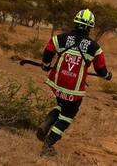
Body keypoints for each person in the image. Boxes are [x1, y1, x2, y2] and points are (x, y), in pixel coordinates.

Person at [38, 9, 112, 156]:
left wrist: (46, 65)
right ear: (90, 26)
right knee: (68, 115)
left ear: (75, 22)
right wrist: (107, 75)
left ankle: (48, 122)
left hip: (57, 82)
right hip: (74, 88)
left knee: (61, 104)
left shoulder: (61, 38)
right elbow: (100, 69)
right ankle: (48, 145)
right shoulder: (94, 48)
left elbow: (48, 51)